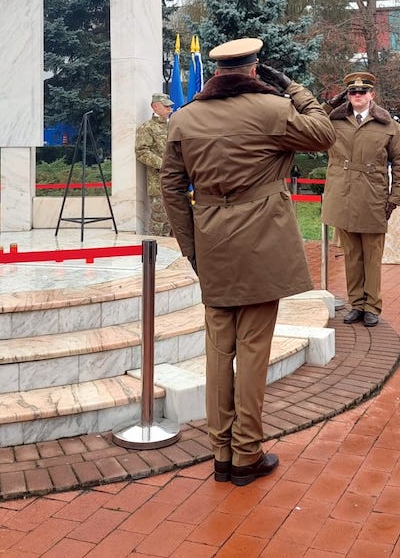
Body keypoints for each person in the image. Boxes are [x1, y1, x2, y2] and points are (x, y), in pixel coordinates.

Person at [160, 38, 335, 487]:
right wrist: (294, 88)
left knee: (219, 349)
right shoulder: (271, 109)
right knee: (254, 349)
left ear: (216, 72)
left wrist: (191, 246)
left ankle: (220, 452)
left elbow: (172, 188)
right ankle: (246, 453)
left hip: (212, 239)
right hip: (262, 239)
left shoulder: (183, 118)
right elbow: (324, 133)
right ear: (254, 70)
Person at [321, 71, 400, 327]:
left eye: (362, 92)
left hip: (372, 195)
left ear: (372, 94)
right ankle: (356, 303)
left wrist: (395, 196)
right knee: (351, 254)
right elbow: (310, 122)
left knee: (371, 255)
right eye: (352, 92)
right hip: (342, 194)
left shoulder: (386, 124)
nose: (357, 96)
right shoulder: (334, 120)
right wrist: (330, 103)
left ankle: (372, 306)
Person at [134, 92, 173, 236]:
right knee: (160, 220)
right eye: (166, 106)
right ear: (155, 107)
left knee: (175, 221)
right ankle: (156, 252)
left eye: (170, 107)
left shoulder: (173, 126)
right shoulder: (147, 128)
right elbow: (141, 151)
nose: (170, 109)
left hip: (176, 181)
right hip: (158, 182)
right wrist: (164, 164)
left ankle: (172, 253)